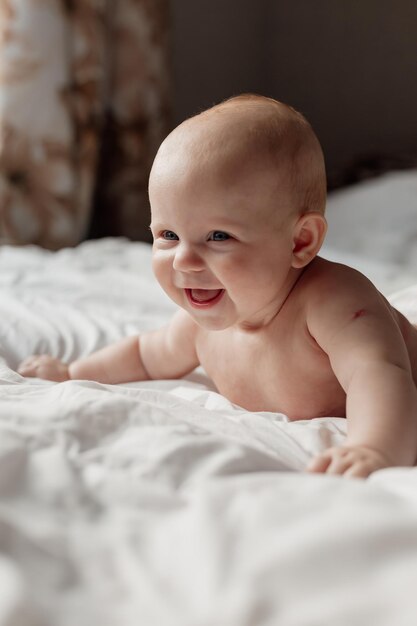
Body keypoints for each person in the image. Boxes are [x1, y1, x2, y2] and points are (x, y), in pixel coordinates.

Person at [18, 94, 417, 478]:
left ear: (300, 242)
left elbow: (378, 374)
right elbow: (143, 355)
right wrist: (72, 373)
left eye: (218, 237)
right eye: (169, 234)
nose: (183, 261)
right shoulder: (201, 325)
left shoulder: (334, 301)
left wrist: (374, 447)